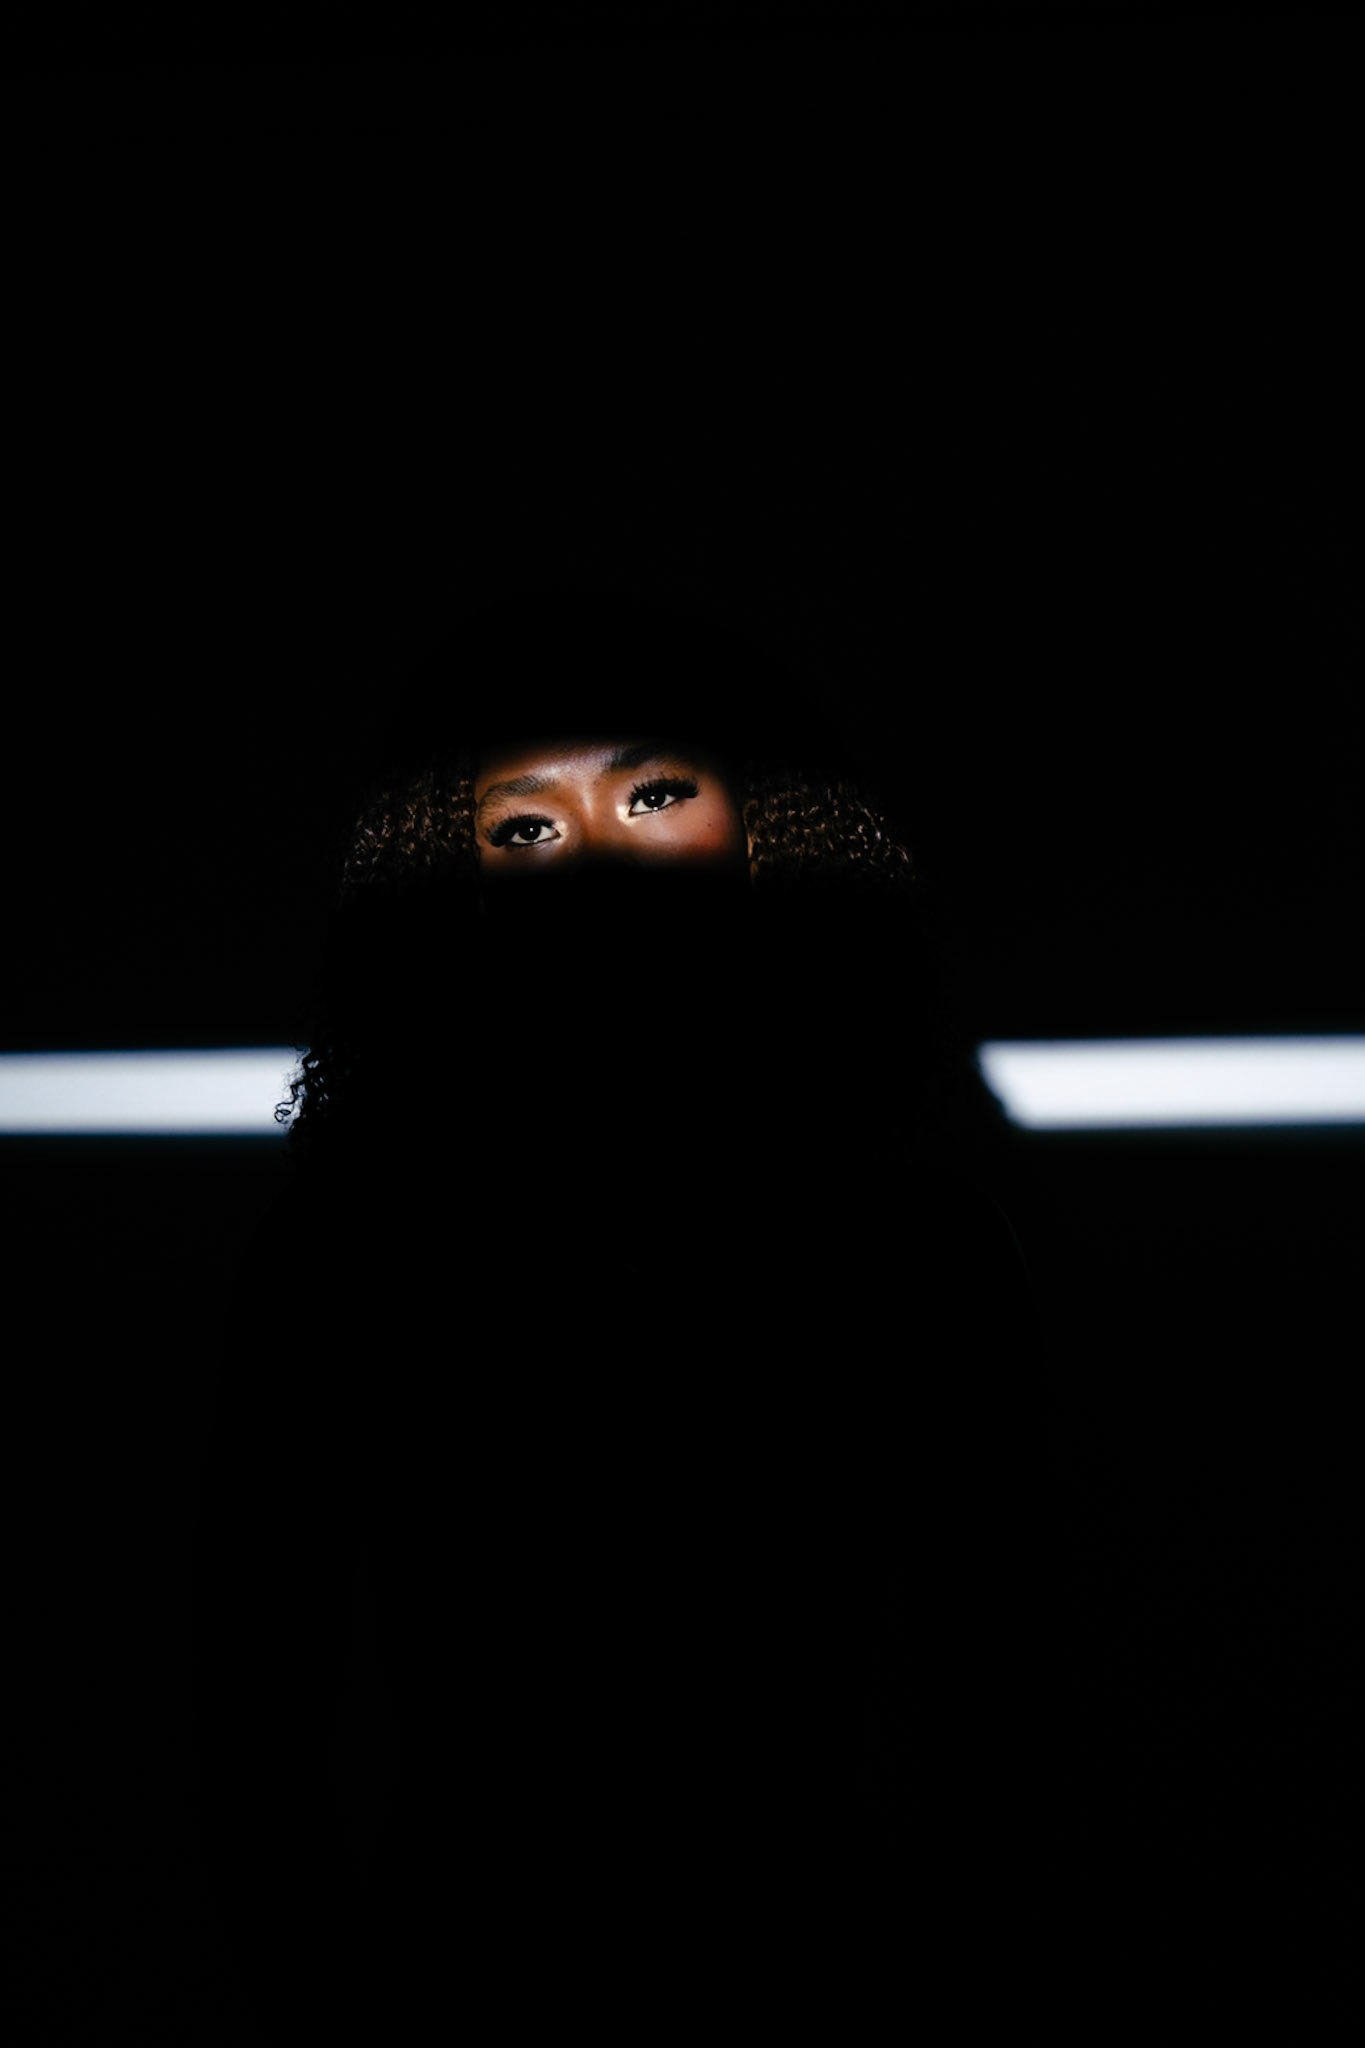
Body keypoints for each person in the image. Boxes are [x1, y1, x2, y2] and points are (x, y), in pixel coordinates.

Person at [192, 587, 1053, 2041]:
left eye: (656, 795)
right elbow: (252, 1725)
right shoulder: (343, 1258)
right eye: (524, 824)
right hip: (460, 1976)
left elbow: (996, 1709)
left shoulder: (918, 1251)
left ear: (771, 828)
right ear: (457, 882)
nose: (592, 854)